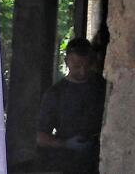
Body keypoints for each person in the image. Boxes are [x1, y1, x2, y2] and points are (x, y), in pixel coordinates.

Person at [36, 36, 106, 174]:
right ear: (67, 62)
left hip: (99, 160)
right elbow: (40, 136)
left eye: (87, 66)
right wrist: (66, 143)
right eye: (77, 66)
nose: (83, 71)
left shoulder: (101, 86)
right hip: (68, 164)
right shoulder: (55, 94)